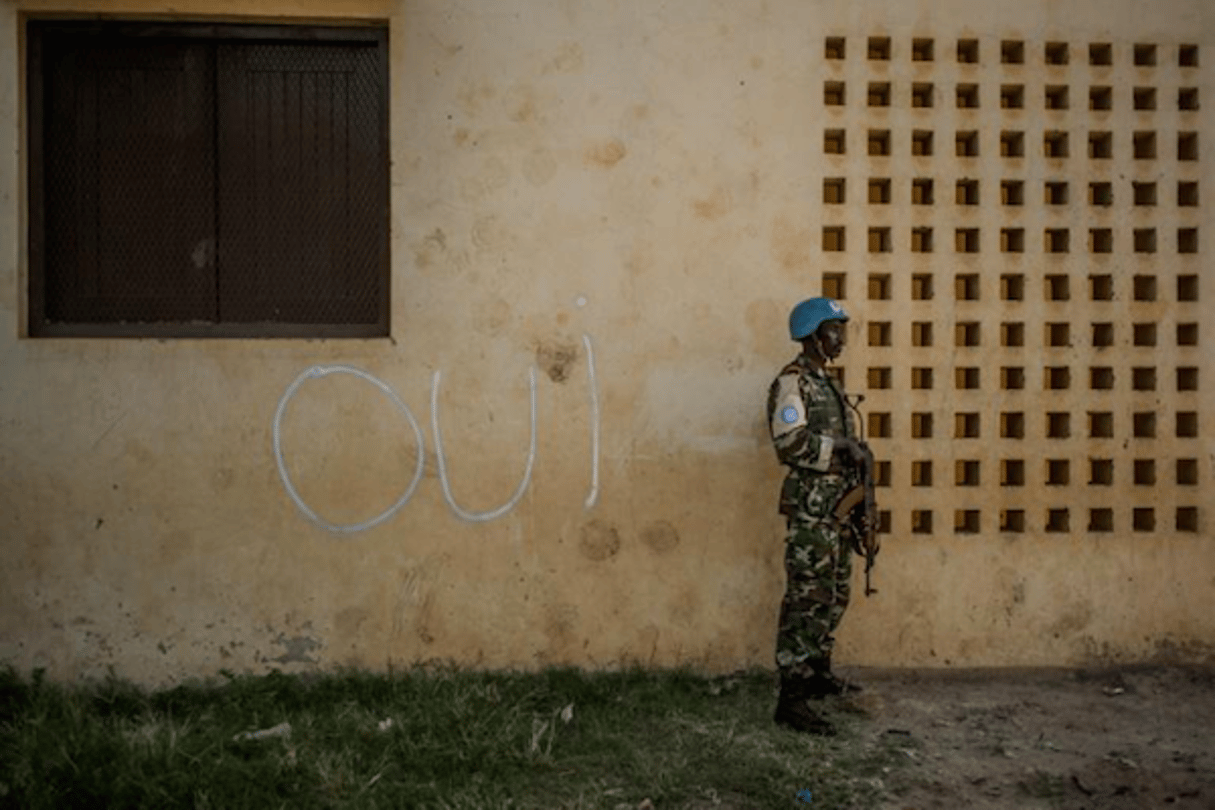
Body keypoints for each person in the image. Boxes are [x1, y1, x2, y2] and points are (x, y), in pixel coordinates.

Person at [766, 296, 869, 734]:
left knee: (834, 593)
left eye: (843, 330)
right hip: (811, 513)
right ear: (811, 335)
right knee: (807, 598)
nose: (841, 339)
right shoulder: (793, 385)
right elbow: (788, 443)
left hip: (835, 511)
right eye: (834, 331)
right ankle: (791, 700)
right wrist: (840, 449)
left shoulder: (827, 382)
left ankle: (818, 674)